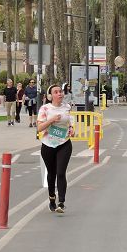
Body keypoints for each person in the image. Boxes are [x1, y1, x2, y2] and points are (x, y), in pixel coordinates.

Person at [36, 84, 75, 214]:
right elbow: (40, 128)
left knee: (60, 172)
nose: (59, 94)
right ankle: (52, 198)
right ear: (50, 95)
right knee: (51, 173)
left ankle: (61, 202)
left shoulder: (67, 108)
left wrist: (71, 129)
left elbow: (70, 122)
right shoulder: (45, 108)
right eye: (56, 92)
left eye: (60, 92)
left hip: (64, 143)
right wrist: (51, 120)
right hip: (48, 144)